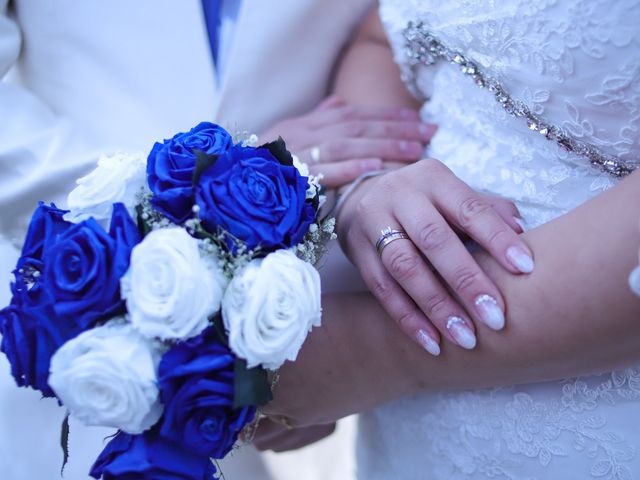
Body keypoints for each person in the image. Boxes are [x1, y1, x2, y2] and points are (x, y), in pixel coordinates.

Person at [0, 1, 450, 478]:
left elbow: (406, 46)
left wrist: (309, 327)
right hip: (49, 303)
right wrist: (199, 193)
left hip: (269, 341)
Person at [254, 2, 640, 478]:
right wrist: (371, 184)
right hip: (410, 437)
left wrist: (372, 349)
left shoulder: (377, 355)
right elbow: (386, 36)